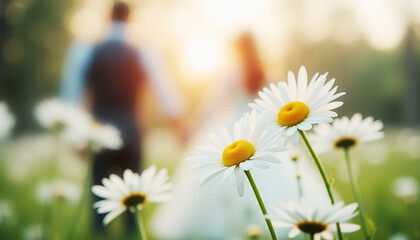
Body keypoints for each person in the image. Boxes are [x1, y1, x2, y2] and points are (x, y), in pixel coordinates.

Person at [150, 33, 330, 239]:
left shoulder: (233, 73)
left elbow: (213, 104)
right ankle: (269, 224)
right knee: (275, 180)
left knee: (222, 181)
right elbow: (277, 105)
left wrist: (193, 126)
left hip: (235, 131)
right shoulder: (266, 72)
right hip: (262, 132)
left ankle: (234, 226)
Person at [59, 1, 185, 233]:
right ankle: (130, 233)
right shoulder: (144, 50)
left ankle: (100, 234)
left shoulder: (86, 49)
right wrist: (178, 125)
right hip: (132, 131)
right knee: (134, 201)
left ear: (109, 17)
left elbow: (71, 95)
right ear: (129, 18)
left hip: (98, 132)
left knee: (100, 200)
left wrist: (74, 138)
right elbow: (165, 91)